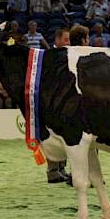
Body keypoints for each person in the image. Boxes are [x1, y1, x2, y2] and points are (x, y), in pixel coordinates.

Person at [46, 28, 71, 184]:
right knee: (52, 138)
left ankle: (61, 168)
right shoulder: (48, 56)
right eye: (66, 39)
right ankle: (52, 171)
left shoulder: (68, 55)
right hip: (51, 103)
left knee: (64, 138)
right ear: (57, 40)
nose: (68, 43)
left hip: (64, 102)